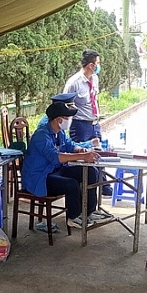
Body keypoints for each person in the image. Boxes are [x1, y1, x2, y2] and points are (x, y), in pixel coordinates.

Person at [21, 102, 104, 228]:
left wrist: (80, 150)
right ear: (59, 119)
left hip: (55, 170)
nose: (70, 121)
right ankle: (73, 217)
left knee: (91, 172)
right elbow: (56, 157)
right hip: (40, 178)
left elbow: (70, 145)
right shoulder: (41, 136)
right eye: (68, 118)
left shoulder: (59, 132)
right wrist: (82, 156)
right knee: (71, 184)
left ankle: (89, 212)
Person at [63, 49, 112, 195]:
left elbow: (94, 98)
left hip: (94, 123)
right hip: (80, 125)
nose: (99, 66)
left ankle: (100, 186)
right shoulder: (74, 83)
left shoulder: (94, 79)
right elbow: (66, 104)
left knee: (98, 154)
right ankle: (81, 193)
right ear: (90, 65)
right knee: (81, 160)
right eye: (97, 63)